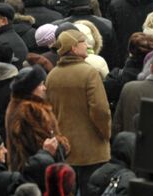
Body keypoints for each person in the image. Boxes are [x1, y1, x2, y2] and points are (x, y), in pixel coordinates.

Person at [45, 30, 110, 187]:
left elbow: (49, 110)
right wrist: (106, 134)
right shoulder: (89, 73)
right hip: (91, 148)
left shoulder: (52, 75)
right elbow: (100, 109)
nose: (87, 45)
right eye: (83, 42)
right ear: (73, 47)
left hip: (65, 149)